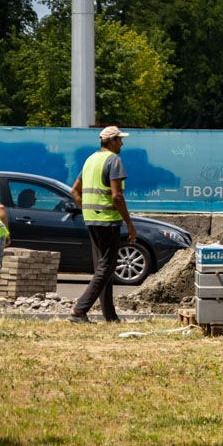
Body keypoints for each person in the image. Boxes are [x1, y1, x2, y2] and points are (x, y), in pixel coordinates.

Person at [68, 125, 137, 323]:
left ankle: (110, 315)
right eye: (119, 140)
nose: (122, 143)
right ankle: (79, 310)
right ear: (111, 141)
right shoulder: (114, 160)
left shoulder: (90, 159)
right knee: (107, 267)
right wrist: (130, 224)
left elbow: (75, 191)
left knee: (102, 267)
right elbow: (117, 196)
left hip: (92, 219)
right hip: (108, 220)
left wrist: (86, 209)